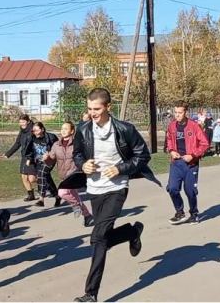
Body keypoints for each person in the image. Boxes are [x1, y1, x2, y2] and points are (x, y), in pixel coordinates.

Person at [60, 88, 157, 302]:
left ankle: (90, 294)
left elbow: (143, 155)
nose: (92, 113)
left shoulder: (124, 129)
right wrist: (83, 164)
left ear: (108, 107)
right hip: (95, 189)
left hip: (117, 187)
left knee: (97, 236)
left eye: (97, 109)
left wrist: (121, 168)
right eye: (89, 109)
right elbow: (77, 155)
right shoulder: (84, 129)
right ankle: (132, 232)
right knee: (102, 239)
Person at [165, 102, 210, 225]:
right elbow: (169, 139)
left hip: (190, 163)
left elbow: (205, 143)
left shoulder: (194, 126)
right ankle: (180, 213)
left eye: (180, 113)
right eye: (176, 112)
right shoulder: (172, 125)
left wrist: (193, 155)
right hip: (176, 162)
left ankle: (194, 213)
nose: (177, 115)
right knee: (172, 188)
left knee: (190, 190)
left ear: (186, 113)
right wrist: (172, 150)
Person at [47, 121, 94, 227]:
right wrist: (47, 158)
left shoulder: (77, 143)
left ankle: (76, 205)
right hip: (64, 175)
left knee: (62, 192)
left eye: (66, 129)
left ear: (72, 131)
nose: (63, 131)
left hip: (75, 173)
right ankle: (87, 216)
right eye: (62, 128)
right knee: (74, 195)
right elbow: (51, 160)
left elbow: (84, 156)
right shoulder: (56, 145)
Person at [27, 121, 61, 207]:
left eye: (37, 130)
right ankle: (57, 196)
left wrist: (50, 154)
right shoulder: (32, 138)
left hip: (49, 160)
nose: (35, 133)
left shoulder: (51, 137)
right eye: (33, 131)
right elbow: (29, 149)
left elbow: (58, 148)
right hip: (37, 161)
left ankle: (41, 199)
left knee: (41, 174)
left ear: (42, 129)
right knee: (46, 177)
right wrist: (29, 158)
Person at [5, 115, 38, 202]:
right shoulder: (22, 131)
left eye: (23, 122)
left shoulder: (33, 130)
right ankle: (31, 195)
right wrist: (8, 154)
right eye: (20, 122)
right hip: (24, 156)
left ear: (28, 121)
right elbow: (17, 144)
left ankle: (44, 181)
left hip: (32, 157)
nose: (21, 124)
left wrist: (30, 157)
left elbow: (35, 145)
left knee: (32, 179)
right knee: (24, 177)